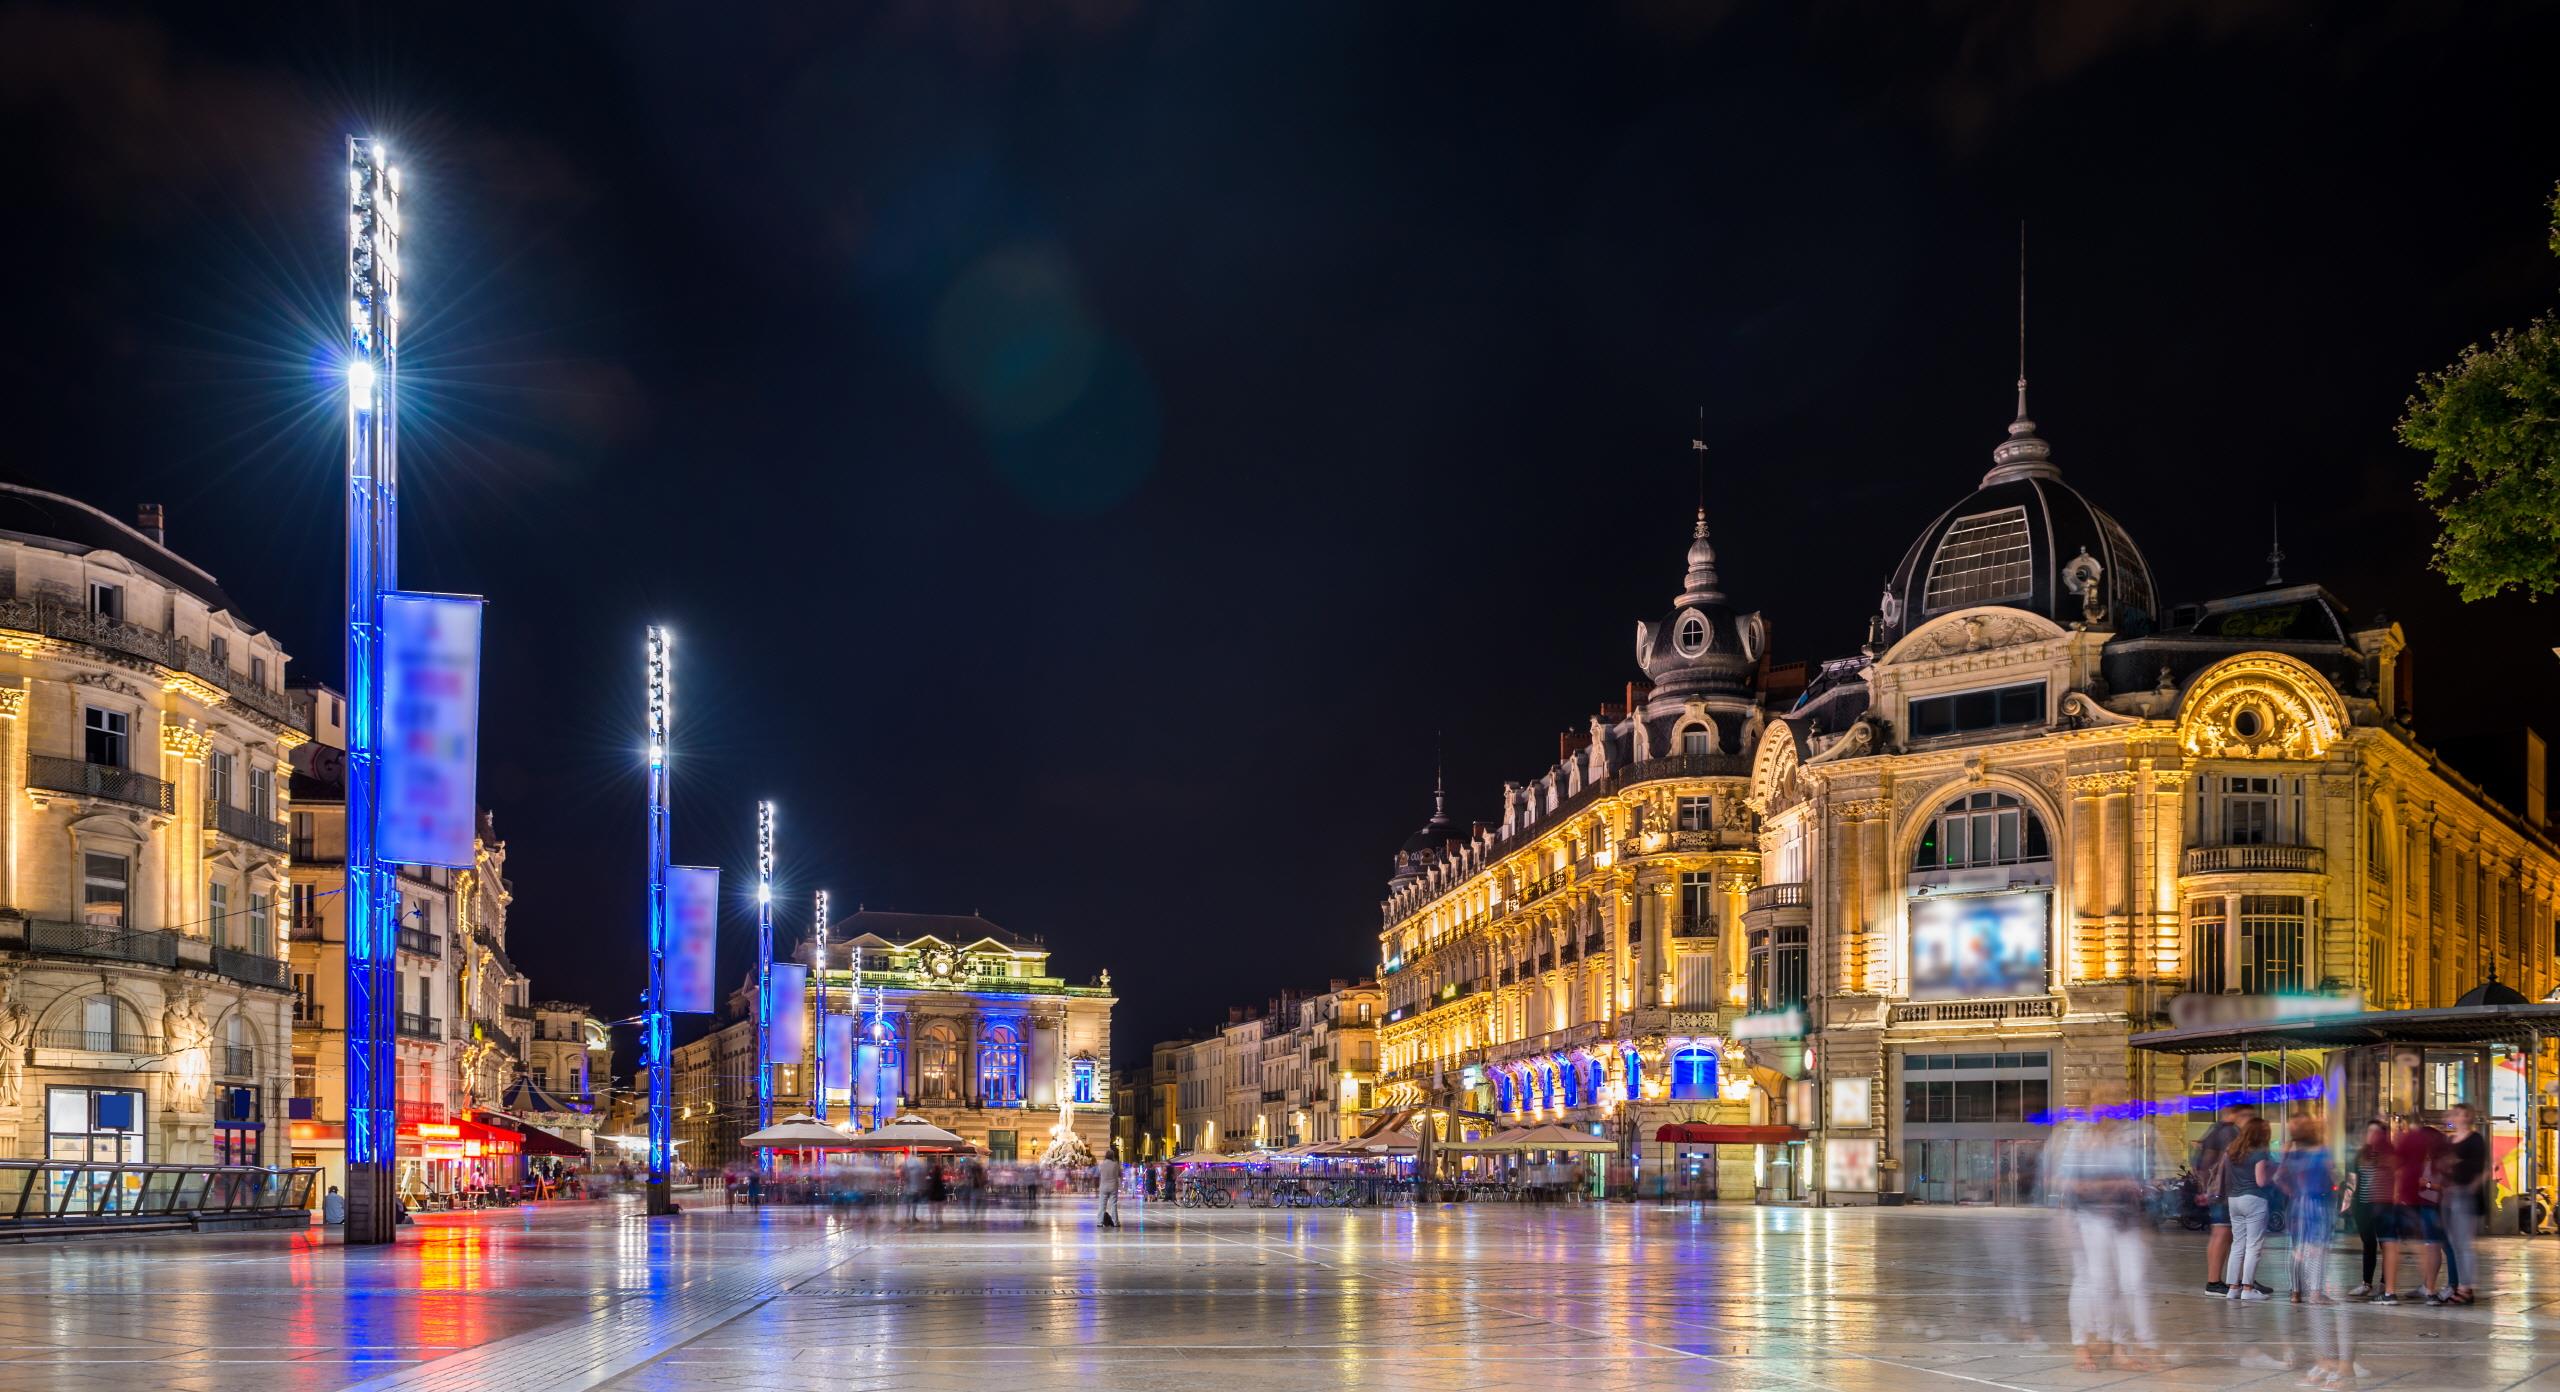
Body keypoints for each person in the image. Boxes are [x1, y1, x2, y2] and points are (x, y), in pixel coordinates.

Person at [2377, 1115, 2444, 1304]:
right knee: (2421, 1245)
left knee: (2410, 1245)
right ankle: (2428, 1290)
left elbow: (2401, 1173)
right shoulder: (2417, 1152)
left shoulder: (2412, 1147)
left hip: (2415, 1204)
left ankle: (2400, 1292)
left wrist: (2421, 1187)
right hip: (2414, 1203)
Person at [2194, 1103, 2249, 1293]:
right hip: (2224, 1191)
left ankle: (2229, 1280)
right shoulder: (2227, 1132)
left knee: (2225, 1234)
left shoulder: (2215, 1131)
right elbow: (2233, 1159)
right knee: (2223, 1234)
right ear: (2233, 1114)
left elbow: (2202, 1163)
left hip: (2218, 1190)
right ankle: (2216, 1281)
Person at [2222, 1114, 2275, 1301]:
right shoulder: (2260, 1153)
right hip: (2254, 1199)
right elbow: (2261, 1181)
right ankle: (2247, 1288)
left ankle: (2233, 1288)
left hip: (2234, 1200)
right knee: (2253, 1246)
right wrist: (2272, 1176)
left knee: (2237, 1244)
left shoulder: (2232, 1151)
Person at [2439, 1103, 2487, 1306]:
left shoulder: (2475, 1139)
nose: (2456, 1117)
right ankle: (2461, 1286)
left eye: (2459, 1114)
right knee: (2454, 1243)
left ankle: (2466, 1288)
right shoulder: (2450, 1140)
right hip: (2450, 1194)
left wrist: (2472, 1187)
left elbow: (2481, 1168)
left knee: (2464, 1244)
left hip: (2465, 1195)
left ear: (2467, 1117)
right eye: (2455, 1114)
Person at [2346, 1120, 2392, 1297]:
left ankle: (2385, 1282)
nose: (2372, 1136)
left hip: (2384, 1206)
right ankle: (2366, 1283)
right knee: (2369, 1244)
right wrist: (2348, 1203)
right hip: (2363, 1207)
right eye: (2369, 1132)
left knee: (2387, 1244)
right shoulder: (2360, 1155)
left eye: (2376, 1132)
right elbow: (2352, 1181)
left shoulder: (2389, 1155)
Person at [1097, 1152, 1123, 1228]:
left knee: (1102, 1205)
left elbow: (1099, 1174)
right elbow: (1120, 1174)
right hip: (1113, 1187)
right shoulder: (1115, 1164)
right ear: (1112, 1156)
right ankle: (1115, 1222)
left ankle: (1100, 1222)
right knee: (1113, 1205)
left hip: (1103, 1187)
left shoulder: (1101, 1164)